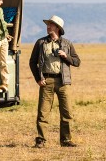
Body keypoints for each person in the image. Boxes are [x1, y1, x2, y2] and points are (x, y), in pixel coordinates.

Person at [29, 14, 81, 148]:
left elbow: (77, 62)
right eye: (48, 24)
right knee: (43, 112)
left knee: (67, 112)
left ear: (57, 28)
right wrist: (38, 79)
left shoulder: (67, 44)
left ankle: (66, 140)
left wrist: (66, 56)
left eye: (50, 25)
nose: (48, 27)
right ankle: (41, 140)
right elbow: (32, 62)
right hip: (46, 81)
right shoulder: (41, 43)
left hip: (63, 81)